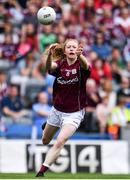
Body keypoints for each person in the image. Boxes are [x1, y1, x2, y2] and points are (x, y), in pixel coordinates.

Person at [36, 38, 91, 177]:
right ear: (65, 51)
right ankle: (48, 124)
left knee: (60, 141)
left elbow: (86, 65)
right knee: (45, 141)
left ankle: (41, 172)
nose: (72, 49)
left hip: (74, 113)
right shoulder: (60, 64)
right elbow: (49, 67)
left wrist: (81, 56)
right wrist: (49, 54)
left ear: (78, 50)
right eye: (69, 47)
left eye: (74, 47)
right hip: (57, 110)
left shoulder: (81, 65)